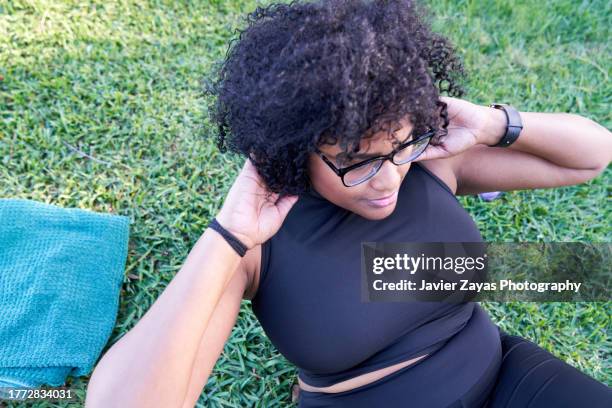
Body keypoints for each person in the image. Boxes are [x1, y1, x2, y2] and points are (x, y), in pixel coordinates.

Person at [85, 1, 612, 407]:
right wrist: (227, 235)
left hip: (505, 374)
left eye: (402, 146)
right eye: (357, 161)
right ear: (297, 147)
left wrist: (493, 124)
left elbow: (591, 156)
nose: (388, 179)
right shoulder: (254, 249)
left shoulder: (426, 163)